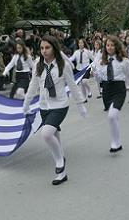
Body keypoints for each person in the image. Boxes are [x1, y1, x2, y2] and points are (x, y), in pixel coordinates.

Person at [23, 35, 87, 186]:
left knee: (46, 134)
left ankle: (60, 161)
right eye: (42, 48)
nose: (44, 51)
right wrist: (26, 103)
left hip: (60, 105)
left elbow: (73, 86)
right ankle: (62, 174)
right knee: (55, 137)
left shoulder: (63, 65)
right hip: (44, 106)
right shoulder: (38, 64)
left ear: (54, 48)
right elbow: (33, 85)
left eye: (47, 47)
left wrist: (80, 105)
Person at [93, 35, 129, 153]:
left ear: (117, 46)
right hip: (107, 90)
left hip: (119, 89)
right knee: (113, 117)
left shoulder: (124, 61)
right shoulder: (101, 61)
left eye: (112, 45)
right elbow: (99, 80)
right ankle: (117, 142)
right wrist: (95, 72)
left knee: (112, 116)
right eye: (107, 45)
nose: (109, 47)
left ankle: (115, 143)